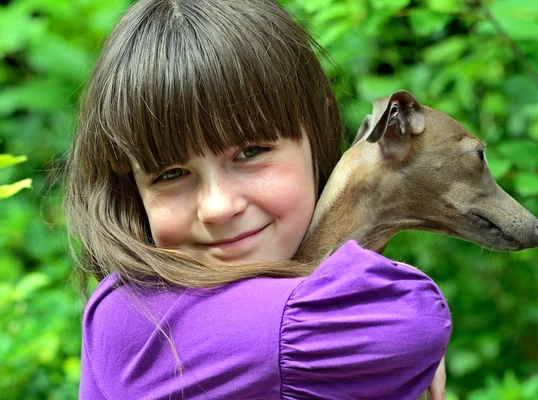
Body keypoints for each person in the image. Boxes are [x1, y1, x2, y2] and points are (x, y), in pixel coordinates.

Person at [65, 0, 451, 399]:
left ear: (316, 130)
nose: (217, 207)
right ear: (132, 187)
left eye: (250, 152)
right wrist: (381, 295)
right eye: (171, 174)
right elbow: (409, 323)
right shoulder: (138, 318)